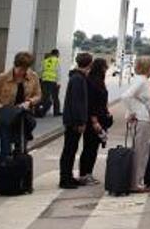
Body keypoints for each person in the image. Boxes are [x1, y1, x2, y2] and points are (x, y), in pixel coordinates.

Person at [121, 56, 150, 193]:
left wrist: (132, 111)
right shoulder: (143, 82)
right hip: (143, 119)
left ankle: (135, 181)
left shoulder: (138, 80)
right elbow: (126, 96)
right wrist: (135, 111)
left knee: (139, 150)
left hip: (140, 119)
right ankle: (136, 183)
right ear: (147, 68)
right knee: (141, 152)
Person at [0, 51, 41, 157]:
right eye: (20, 69)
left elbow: (38, 95)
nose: (22, 72)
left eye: (25, 69)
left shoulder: (33, 77)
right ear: (15, 65)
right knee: (5, 150)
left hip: (22, 118)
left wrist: (29, 102)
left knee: (21, 150)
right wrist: (2, 108)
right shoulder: (3, 78)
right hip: (6, 119)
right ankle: (4, 170)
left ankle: (19, 172)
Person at [57, 52, 93, 189]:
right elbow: (78, 103)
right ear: (89, 64)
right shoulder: (79, 79)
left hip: (71, 119)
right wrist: (80, 122)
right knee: (69, 150)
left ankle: (68, 176)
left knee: (70, 149)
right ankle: (65, 179)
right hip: (74, 121)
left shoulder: (76, 77)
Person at [79, 57, 111, 185]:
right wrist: (94, 121)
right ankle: (85, 174)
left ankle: (88, 174)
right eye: (105, 68)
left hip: (99, 118)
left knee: (92, 147)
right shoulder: (93, 82)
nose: (106, 71)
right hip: (94, 120)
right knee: (90, 148)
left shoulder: (96, 81)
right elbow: (92, 104)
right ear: (101, 68)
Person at [40, 49, 61, 118]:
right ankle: (56, 112)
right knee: (55, 97)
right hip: (53, 81)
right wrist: (58, 82)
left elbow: (41, 70)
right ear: (56, 54)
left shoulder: (45, 61)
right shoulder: (56, 60)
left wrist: (41, 79)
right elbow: (58, 71)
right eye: (58, 54)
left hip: (45, 80)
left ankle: (41, 111)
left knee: (45, 97)